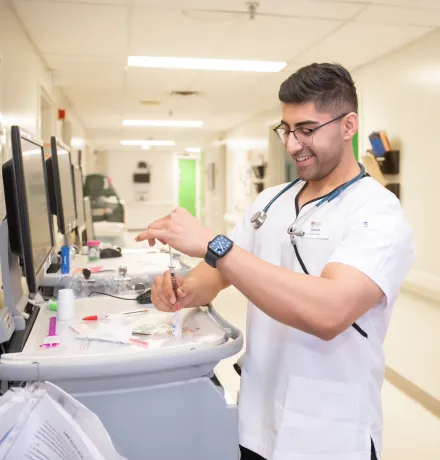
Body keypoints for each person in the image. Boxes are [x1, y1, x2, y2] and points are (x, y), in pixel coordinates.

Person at [135, 63, 415, 460]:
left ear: (348, 125)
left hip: (330, 434)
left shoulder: (377, 213)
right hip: (256, 421)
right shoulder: (269, 201)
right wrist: (180, 291)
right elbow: (212, 276)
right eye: (286, 129)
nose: (292, 144)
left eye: (307, 129)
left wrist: (216, 244)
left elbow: (329, 311)